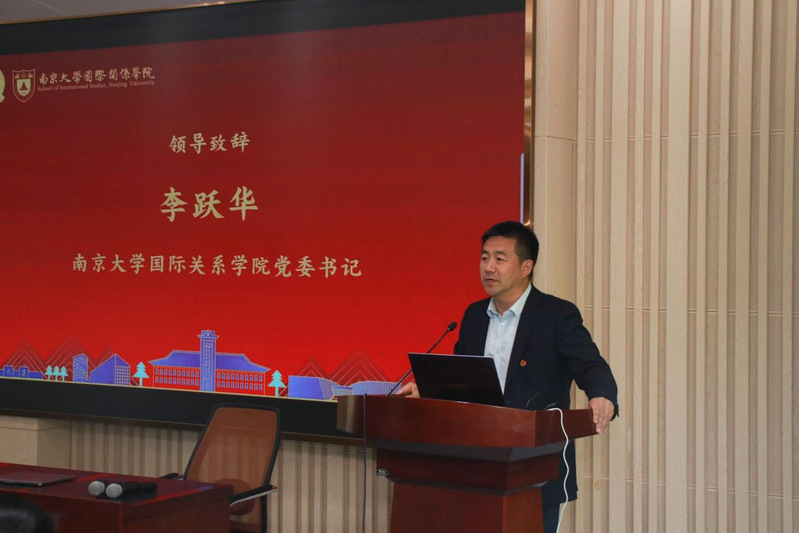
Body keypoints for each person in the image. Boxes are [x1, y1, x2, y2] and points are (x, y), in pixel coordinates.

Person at [398, 220, 618, 533]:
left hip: (534, 464)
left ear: (526, 267)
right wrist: (430, 390)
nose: (488, 267)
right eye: (484, 257)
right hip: (475, 462)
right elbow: (462, 379)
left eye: (500, 259)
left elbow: (590, 364)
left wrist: (602, 395)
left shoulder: (556, 315)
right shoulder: (474, 315)